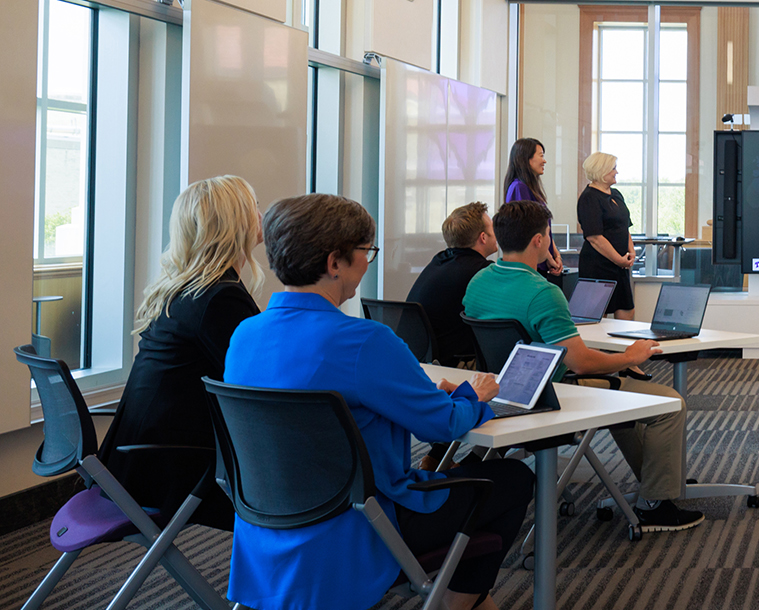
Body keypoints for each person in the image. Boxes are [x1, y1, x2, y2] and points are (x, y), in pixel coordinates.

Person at [224, 194, 529, 610]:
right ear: (335, 263)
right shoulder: (365, 342)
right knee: (510, 478)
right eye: (366, 252)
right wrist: (472, 396)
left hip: (267, 525)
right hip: (360, 524)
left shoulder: (244, 335)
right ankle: (459, 604)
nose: (369, 262)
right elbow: (442, 426)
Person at [462, 201, 705, 532]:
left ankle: (654, 484)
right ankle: (655, 506)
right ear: (539, 240)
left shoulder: (479, 281)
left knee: (626, 396)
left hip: (505, 389)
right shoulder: (543, 292)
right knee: (669, 404)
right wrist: (629, 358)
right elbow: (580, 361)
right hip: (556, 393)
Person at [99, 175, 264, 531]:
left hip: (133, 461)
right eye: (254, 208)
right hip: (173, 472)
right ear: (235, 224)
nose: (261, 216)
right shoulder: (220, 297)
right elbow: (263, 380)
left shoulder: (183, 290)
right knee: (310, 482)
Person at [405, 202, 498, 471]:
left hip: (425, 359)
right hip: (455, 361)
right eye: (491, 229)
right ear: (483, 237)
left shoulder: (439, 261)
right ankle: (475, 464)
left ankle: (435, 458)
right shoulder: (480, 271)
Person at [576, 152, 651, 380]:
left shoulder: (616, 194)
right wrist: (618, 259)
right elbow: (594, 237)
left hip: (620, 265)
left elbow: (624, 227)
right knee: (594, 318)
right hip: (597, 265)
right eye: (613, 169)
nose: (616, 172)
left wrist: (630, 250)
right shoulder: (588, 198)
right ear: (600, 171)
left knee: (626, 310)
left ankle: (626, 361)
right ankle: (594, 365)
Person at [503, 137, 565, 278]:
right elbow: (528, 229)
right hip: (530, 265)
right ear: (526, 159)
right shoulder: (519, 187)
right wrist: (549, 258)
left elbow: (542, 228)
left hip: (541, 260)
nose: (544, 161)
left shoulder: (530, 187)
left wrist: (555, 254)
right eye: (541, 155)